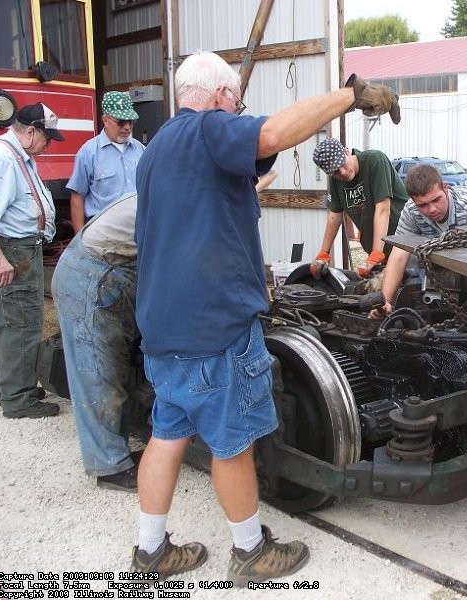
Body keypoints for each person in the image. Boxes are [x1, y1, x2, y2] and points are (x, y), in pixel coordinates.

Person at [131, 51, 399, 582]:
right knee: (232, 442)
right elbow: (273, 134)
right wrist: (351, 96)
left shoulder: (157, 147)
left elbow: (215, 197)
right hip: (213, 327)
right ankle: (250, 551)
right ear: (219, 96)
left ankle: (150, 551)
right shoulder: (209, 128)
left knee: (168, 433)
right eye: (237, 99)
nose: (238, 108)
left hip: (165, 326)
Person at [51, 193, 141, 492]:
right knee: (98, 375)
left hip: (115, 269)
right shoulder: (179, 201)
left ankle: (118, 450)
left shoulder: (181, 189)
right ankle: (109, 467)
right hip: (91, 276)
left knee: (116, 369)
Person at [371, 164, 467, 316]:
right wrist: (384, 302)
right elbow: (398, 255)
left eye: (436, 200)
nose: (432, 209)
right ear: (413, 200)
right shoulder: (411, 210)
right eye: (423, 205)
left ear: (445, 187)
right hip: (466, 241)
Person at [0, 103, 64, 419]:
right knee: (22, 322)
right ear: (31, 132)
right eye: (46, 138)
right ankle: (18, 398)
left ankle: (9, 386)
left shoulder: (18, 156)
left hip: (22, 249)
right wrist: (0, 259)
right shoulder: (4, 159)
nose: (48, 144)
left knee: (9, 320)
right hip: (15, 250)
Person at [311, 138, 408, 278]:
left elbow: (382, 209)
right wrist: (324, 253)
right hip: (381, 250)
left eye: (342, 164)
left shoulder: (375, 160)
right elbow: (334, 216)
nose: (342, 172)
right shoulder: (336, 180)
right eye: (336, 171)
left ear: (346, 151)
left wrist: (376, 254)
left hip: (404, 244)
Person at [66, 91, 145, 233]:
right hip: (102, 233)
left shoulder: (140, 150)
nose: (127, 127)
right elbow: (77, 196)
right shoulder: (89, 152)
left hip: (136, 230)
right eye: (121, 122)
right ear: (105, 120)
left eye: (131, 122)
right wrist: (80, 242)